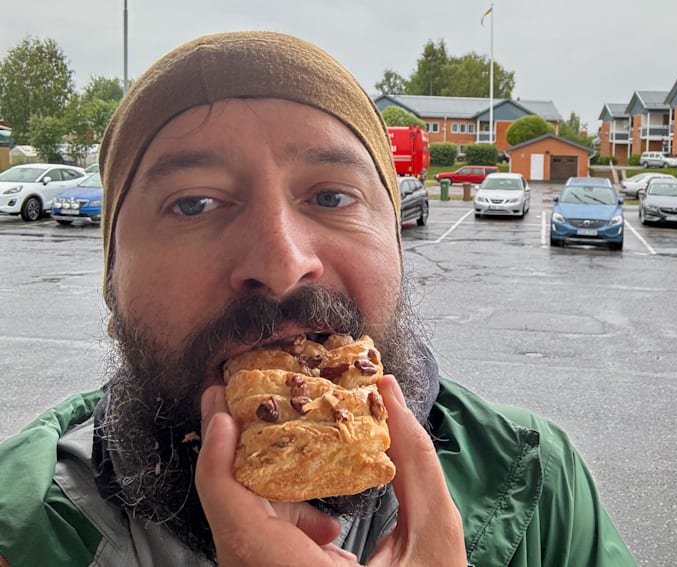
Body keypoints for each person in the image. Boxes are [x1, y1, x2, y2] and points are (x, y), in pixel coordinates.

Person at [0, 32, 636, 566]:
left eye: (332, 197)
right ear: (113, 283)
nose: (281, 265)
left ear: (396, 245)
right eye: (193, 203)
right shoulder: (17, 530)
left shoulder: (539, 493)